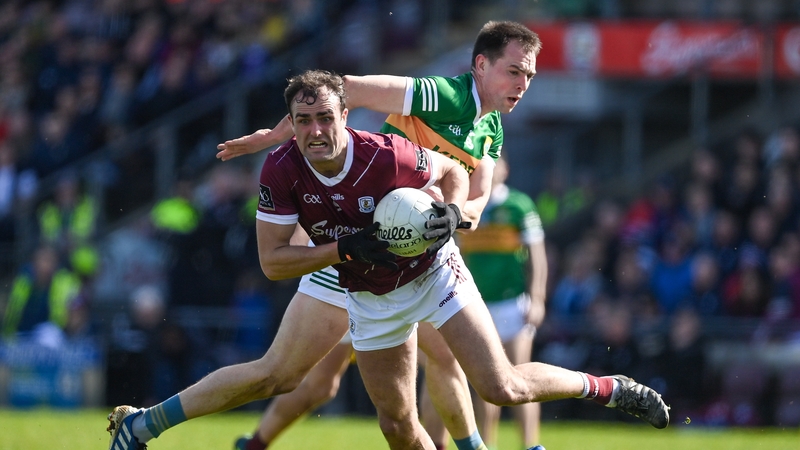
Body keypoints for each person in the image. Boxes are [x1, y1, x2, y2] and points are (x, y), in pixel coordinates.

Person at [106, 70, 669, 450]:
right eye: (303, 122)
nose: (316, 131)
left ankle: (609, 387)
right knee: (387, 420)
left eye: (326, 118)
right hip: (358, 284)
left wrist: (450, 213)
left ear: (344, 115)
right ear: (292, 125)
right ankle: (143, 425)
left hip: (430, 272)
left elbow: (452, 171)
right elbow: (274, 263)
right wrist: (347, 248)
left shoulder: (387, 154)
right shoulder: (280, 169)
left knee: (500, 385)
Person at [219, 20, 543, 450]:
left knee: (441, 365)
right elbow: (344, 87)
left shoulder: (492, 128)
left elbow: (477, 201)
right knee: (313, 382)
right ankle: (254, 442)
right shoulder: (447, 96)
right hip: (362, 246)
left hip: (406, 255)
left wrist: (455, 215)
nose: (523, 84)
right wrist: (276, 135)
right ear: (481, 65)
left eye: (530, 76)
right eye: (515, 71)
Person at [457, 154, 547, 449]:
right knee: (484, 380)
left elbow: (537, 256)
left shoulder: (519, 205)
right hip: (477, 304)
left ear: (505, 169)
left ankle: (530, 444)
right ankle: (488, 445)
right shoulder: (465, 206)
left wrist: (537, 298)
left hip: (512, 303)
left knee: (521, 376)